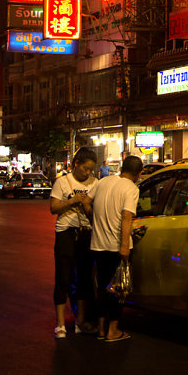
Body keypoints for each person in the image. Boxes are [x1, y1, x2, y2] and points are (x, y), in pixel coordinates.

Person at [91, 154, 143, 342]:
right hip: (116, 246)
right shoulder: (131, 188)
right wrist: (124, 246)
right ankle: (113, 330)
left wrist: (96, 221)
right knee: (118, 289)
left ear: (122, 168)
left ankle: (101, 328)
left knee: (102, 287)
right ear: (139, 173)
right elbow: (127, 216)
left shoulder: (103, 182)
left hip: (98, 243)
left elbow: (87, 202)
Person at [50, 146, 99, 339]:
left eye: (91, 169)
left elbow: (94, 213)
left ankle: (81, 321)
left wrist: (86, 204)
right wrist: (72, 201)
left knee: (85, 279)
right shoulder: (62, 182)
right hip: (66, 232)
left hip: (86, 233)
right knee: (63, 277)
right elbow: (53, 208)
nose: (88, 173)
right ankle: (60, 324)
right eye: (85, 168)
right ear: (76, 164)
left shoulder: (95, 183)